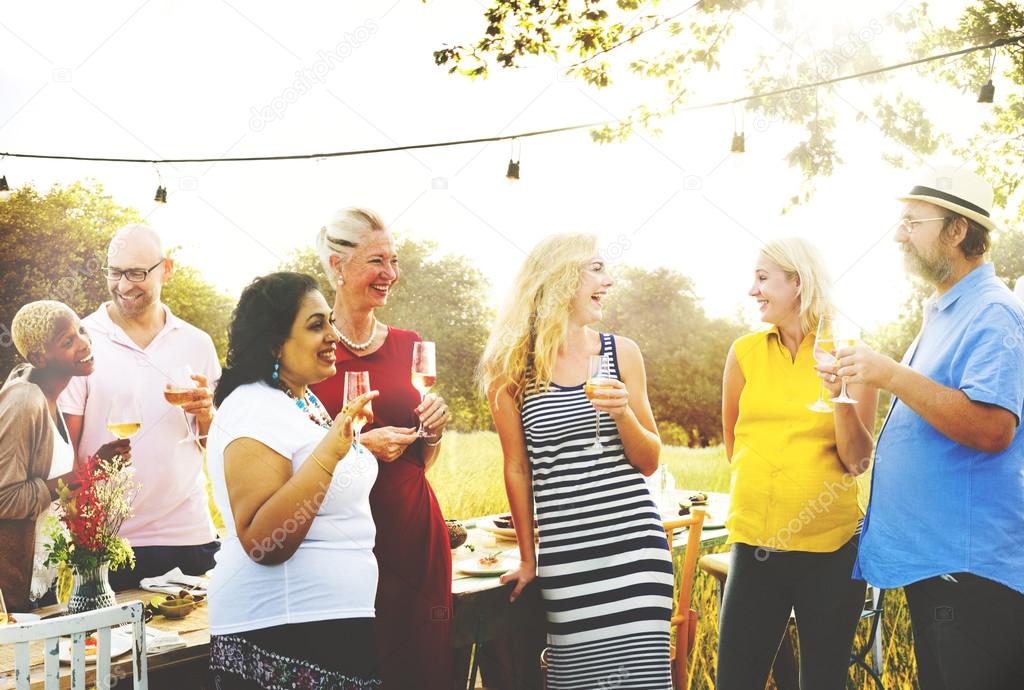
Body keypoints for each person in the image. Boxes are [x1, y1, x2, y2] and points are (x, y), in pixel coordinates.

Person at [842, 165, 1024, 689]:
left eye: (911, 222)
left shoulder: (993, 312)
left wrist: (892, 375)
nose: (899, 234)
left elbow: (992, 429)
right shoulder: (946, 310)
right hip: (939, 566)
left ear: (956, 230)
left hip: (970, 572)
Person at [478, 233, 671, 689]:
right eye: (597, 269)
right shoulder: (510, 369)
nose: (610, 279)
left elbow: (649, 461)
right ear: (562, 278)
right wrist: (529, 558)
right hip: (569, 559)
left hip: (636, 550)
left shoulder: (621, 353)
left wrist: (622, 412)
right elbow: (517, 468)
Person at [206, 271, 381, 689]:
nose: (332, 336)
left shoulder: (301, 399)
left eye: (330, 323)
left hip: (327, 626)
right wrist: (331, 452)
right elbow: (265, 541)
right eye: (316, 325)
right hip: (286, 630)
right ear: (274, 343)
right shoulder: (252, 406)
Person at [717, 237, 877, 689]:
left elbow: (858, 460)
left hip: (831, 550)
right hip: (756, 546)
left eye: (763, 278)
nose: (753, 290)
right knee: (735, 679)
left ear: (798, 283)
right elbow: (735, 443)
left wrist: (839, 398)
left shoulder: (849, 353)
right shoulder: (744, 352)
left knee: (822, 682)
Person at [309, 208, 452, 689]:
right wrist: (357, 447)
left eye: (394, 260)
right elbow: (289, 455)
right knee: (356, 667)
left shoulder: (410, 345)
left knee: (421, 671)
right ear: (337, 265)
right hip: (340, 543)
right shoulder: (308, 349)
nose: (390, 273)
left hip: (413, 533)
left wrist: (431, 432)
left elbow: (421, 460)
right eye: (377, 261)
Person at [60, 224, 220, 590]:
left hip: (189, 537)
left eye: (136, 273)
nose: (124, 285)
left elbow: (216, 446)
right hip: (109, 544)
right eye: (115, 273)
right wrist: (82, 534)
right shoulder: (81, 342)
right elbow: (65, 454)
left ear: (166, 269)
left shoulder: (198, 344)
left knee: (192, 648)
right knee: (112, 649)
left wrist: (207, 414)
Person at [0, 301, 129, 611]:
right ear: (38, 358)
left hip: (44, 578)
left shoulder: (51, 399)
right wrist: (86, 473)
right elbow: (5, 498)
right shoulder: (24, 400)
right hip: (15, 589)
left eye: (81, 330)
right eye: (68, 342)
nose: (84, 343)